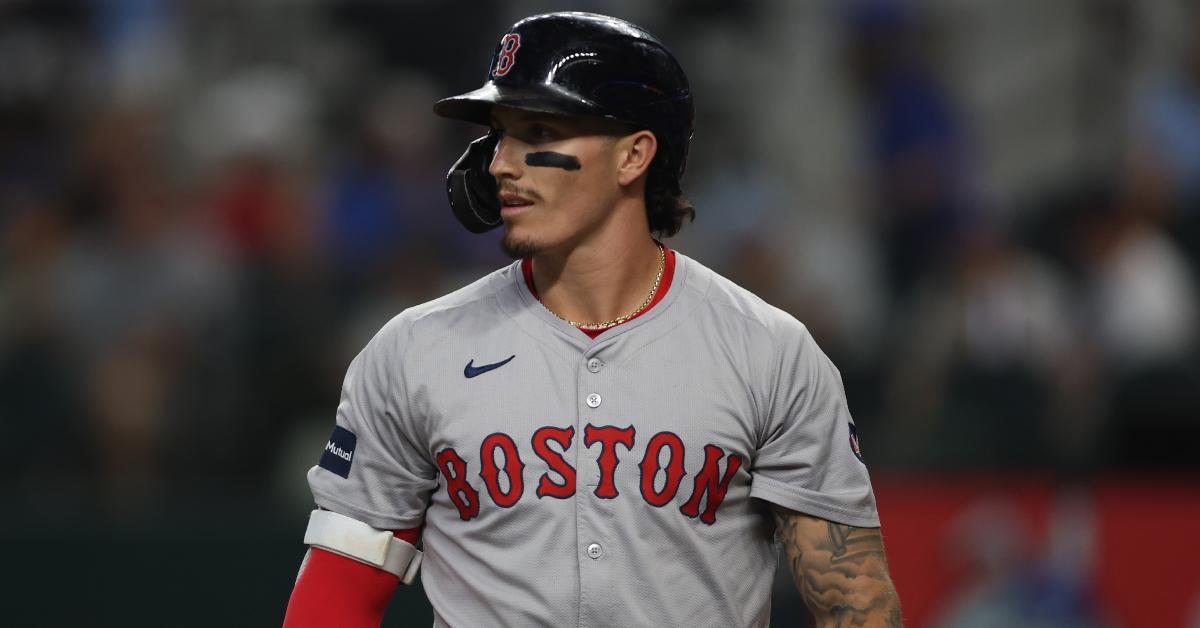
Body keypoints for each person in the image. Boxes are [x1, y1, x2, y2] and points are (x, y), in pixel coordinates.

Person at [283, 12, 901, 627]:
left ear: (634, 155)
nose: (501, 164)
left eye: (540, 131)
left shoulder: (769, 352)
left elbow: (855, 603)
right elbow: (337, 595)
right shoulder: (415, 351)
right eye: (500, 134)